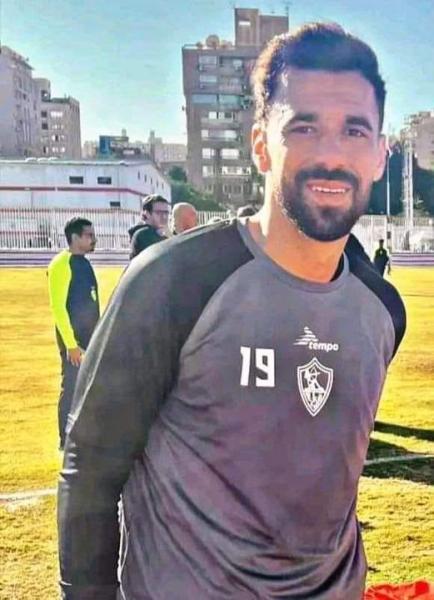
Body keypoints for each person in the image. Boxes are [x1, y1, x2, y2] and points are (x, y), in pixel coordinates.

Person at [58, 23, 406, 599]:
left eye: (354, 130)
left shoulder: (383, 310)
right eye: (304, 127)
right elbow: (90, 467)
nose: (331, 154)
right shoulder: (175, 281)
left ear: (378, 155)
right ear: (260, 145)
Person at [47, 217, 99, 451]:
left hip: (90, 338)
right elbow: (58, 307)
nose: (93, 239)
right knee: (71, 387)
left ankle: (84, 435)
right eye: (89, 235)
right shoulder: (61, 264)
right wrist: (71, 344)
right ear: (75, 237)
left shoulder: (84, 264)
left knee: (89, 387)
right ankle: (65, 440)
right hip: (74, 342)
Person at [129, 194, 169, 259]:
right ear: (147, 213)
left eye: (166, 212)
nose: (164, 217)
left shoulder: (162, 234)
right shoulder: (143, 234)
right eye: (158, 213)